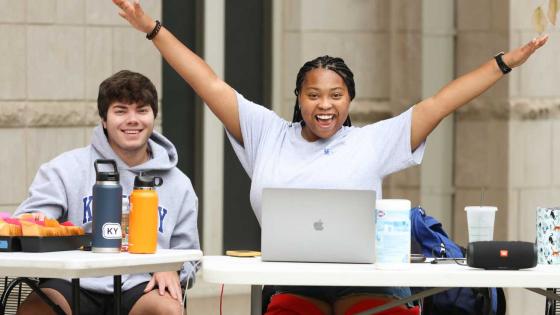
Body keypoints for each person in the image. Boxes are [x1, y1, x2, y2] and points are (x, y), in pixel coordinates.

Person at [112, 1, 548, 314]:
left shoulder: (373, 142)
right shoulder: (266, 133)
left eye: (336, 95)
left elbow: (440, 103)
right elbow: (206, 82)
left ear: (350, 99)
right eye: (314, 95)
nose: (325, 105)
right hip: (294, 287)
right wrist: (152, 28)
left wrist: (505, 63)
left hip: (368, 284)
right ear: (298, 99)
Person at [15, 70, 200, 315]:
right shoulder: (65, 169)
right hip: (74, 281)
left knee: (167, 310)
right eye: (121, 111)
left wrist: (172, 267)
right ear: (104, 119)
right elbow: (29, 224)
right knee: (36, 310)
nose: (132, 119)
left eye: (142, 110)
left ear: (154, 117)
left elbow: (190, 255)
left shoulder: (179, 183)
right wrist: (43, 227)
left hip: (142, 284)